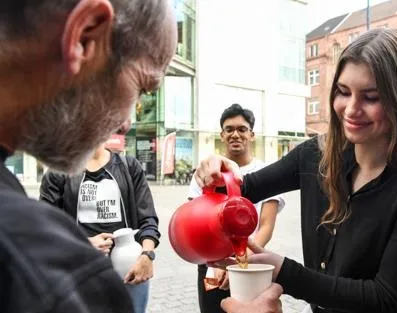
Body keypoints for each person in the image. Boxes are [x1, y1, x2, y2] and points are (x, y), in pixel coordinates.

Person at [194, 28, 397, 313]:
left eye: (371, 97)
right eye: (343, 92)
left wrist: (284, 272)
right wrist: (218, 173)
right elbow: (243, 188)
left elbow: (386, 297)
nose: (351, 109)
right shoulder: (316, 154)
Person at [0, 0, 176, 312]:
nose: (126, 123)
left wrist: (146, 253)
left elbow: (148, 220)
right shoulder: (45, 278)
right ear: (84, 37)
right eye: (142, 87)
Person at [40, 141, 160, 313]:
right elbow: (46, 229)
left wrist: (147, 255)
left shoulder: (129, 166)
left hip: (130, 270)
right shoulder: (58, 173)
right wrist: (83, 243)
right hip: (80, 273)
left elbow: (148, 219)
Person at [188, 103, 285, 313]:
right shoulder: (206, 172)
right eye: (229, 129)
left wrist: (239, 261)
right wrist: (217, 260)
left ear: (252, 135)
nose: (235, 134)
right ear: (221, 135)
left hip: (251, 264)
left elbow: (266, 225)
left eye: (242, 129)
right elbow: (195, 223)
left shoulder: (266, 172)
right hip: (212, 264)